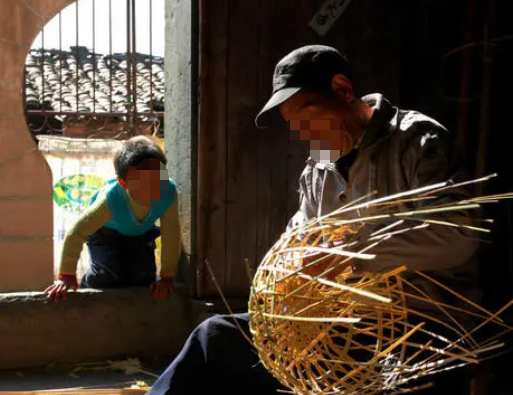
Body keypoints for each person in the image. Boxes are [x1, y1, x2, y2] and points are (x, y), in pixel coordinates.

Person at [147, 45, 480, 394]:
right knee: (216, 338)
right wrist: (284, 273)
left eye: (309, 117)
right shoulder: (319, 165)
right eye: (295, 125)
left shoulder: (417, 140)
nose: (305, 134)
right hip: (342, 325)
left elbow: (459, 232)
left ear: (343, 90)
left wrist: (345, 257)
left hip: (419, 324)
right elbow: (299, 236)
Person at [45, 136, 183, 302]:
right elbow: (76, 233)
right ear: (123, 183)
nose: (152, 188)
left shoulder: (168, 191)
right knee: (109, 276)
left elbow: (171, 233)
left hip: (141, 235)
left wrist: (167, 278)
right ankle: (88, 283)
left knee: (143, 278)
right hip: (106, 236)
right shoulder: (111, 199)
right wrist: (66, 276)